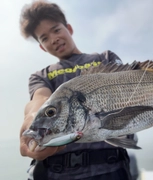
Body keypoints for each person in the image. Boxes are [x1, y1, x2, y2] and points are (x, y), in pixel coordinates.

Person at [19, 1, 134, 179]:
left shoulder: (105, 58)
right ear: (42, 47)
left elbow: (132, 85)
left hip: (111, 169)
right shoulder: (41, 76)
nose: (53, 39)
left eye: (56, 30)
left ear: (69, 28)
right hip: (58, 174)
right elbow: (40, 100)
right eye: (44, 38)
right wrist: (32, 118)